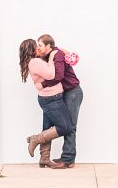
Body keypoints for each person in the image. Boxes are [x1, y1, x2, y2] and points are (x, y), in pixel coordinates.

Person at [18, 38, 73, 169]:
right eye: (36, 46)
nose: (38, 48)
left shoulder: (32, 61)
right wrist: (52, 57)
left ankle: (44, 158)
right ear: (32, 49)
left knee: (47, 128)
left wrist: (59, 52)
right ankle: (35, 139)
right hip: (52, 98)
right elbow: (51, 74)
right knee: (65, 127)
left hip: (47, 98)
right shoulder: (36, 61)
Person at [36, 34, 83, 168]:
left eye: (40, 45)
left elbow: (58, 76)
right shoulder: (50, 56)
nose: (38, 48)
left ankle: (67, 159)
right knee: (62, 124)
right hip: (62, 93)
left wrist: (43, 85)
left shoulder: (57, 54)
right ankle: (66, 158)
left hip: (72, 92)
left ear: (48, 46)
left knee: (70, 126)